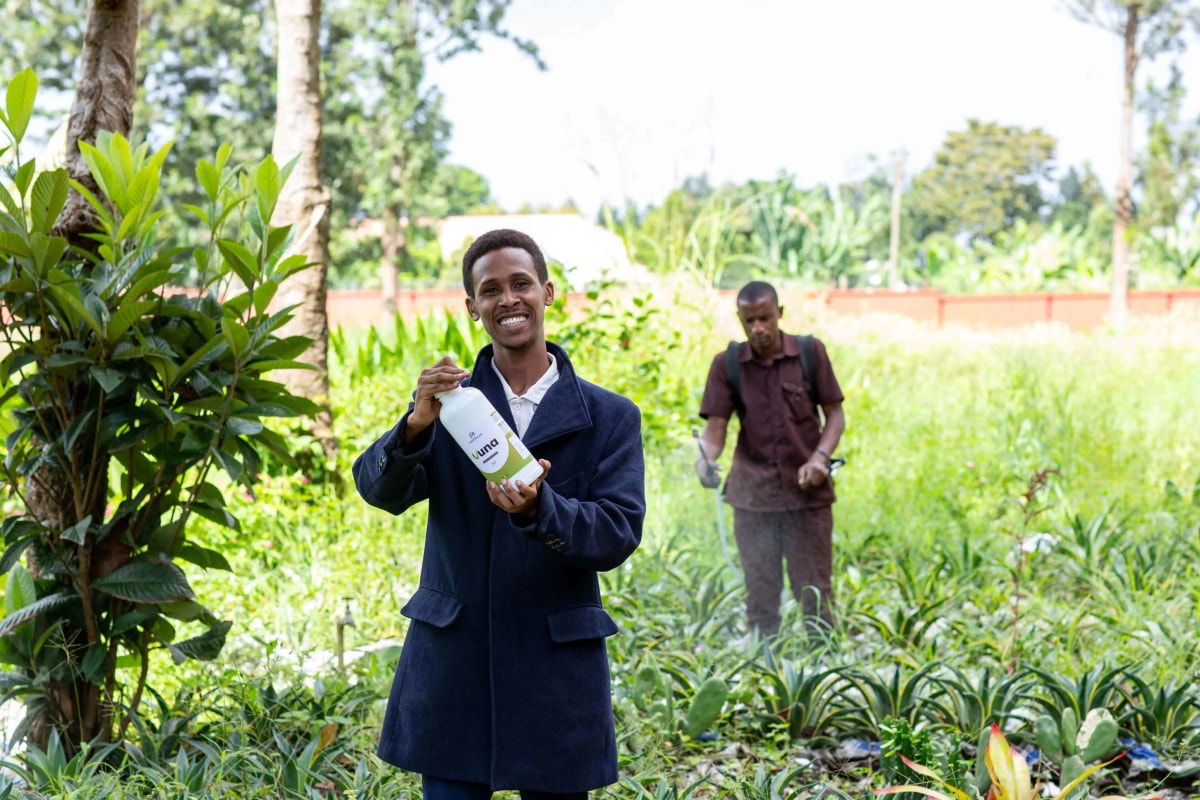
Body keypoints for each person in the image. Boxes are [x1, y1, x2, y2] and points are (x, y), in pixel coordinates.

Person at [352, 228, 645, 800]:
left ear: (548, 293)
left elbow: (616, 533)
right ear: (472, 308)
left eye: (521, 284)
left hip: (555, 667)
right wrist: (415, 424)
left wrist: (543, 509)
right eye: (491, 290)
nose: (508, 299)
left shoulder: (609, 416)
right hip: (455, 664)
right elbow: (378, 491)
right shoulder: (449, 405)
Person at [695, 280, 845, 640]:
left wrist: (820, 459)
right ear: (740, 320)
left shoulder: (810, 353)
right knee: (760, 594)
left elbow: (835, 416)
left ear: (779, 313)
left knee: (814, 592)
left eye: (765, 318)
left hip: (807, 497)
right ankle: (765, 669)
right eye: (750, 321)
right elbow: (717, 427)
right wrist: (705, 460)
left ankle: (822, 666)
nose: (758, 328)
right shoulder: (727, 364)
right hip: (753, 499)